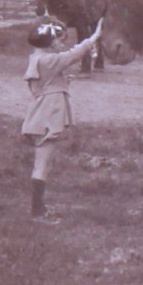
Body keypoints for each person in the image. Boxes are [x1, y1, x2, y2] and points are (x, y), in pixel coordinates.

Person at [22, 16, 102, 220]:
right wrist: (95, 36)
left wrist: (64, 82)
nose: (62, 43)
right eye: (59, 39)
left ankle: (39, 209)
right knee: (42, 164)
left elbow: (47, 83)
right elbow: (73, 55)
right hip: (48, 115)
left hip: (40, 113)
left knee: (42, 163)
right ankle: (37, 212)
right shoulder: (49, 60)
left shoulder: (37, 58)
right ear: (49, 40)